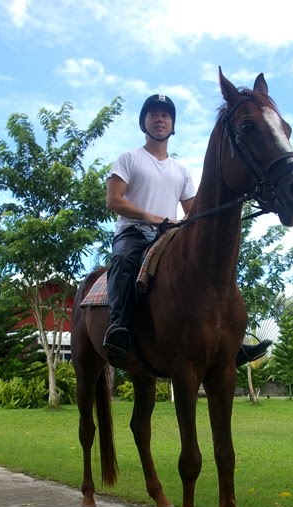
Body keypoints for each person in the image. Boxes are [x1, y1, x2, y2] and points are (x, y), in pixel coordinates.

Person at [103, 94, 271, 367]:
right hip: (133, 233)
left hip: (168, 234)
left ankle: (231, 341)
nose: (159, 119)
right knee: (123, 261)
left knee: (214, 269)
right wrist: (149, 217)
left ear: (172, 125)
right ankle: (119, 327)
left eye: (165, 115)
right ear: (144, 122)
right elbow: (113, 200)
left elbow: (193, 210)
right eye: (153, 115)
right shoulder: (129, 159)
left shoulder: (180, 170)